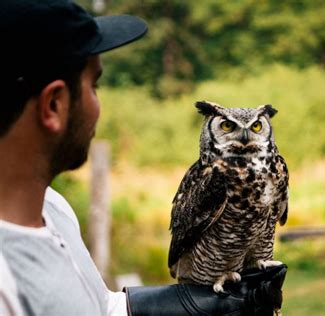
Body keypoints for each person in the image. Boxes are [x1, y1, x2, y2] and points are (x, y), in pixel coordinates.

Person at [0, 1, 287, 315]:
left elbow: (95, 309)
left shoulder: (52, 209)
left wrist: (184, 307)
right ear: (53, 105)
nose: (100, 105)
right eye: (94, 86)